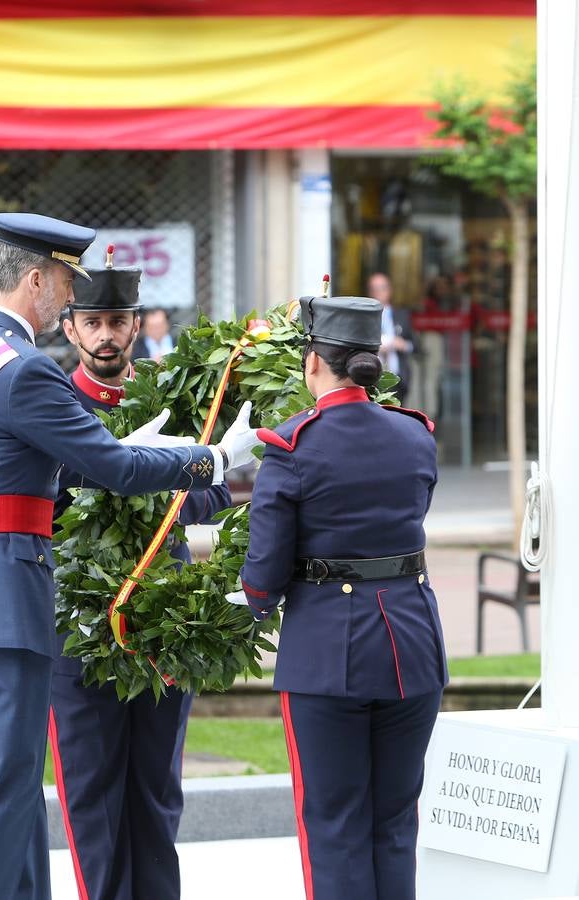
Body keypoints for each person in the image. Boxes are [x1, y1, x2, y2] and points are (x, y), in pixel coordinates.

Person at [0, 212, 258, 900]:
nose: (70, 299)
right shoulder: (25, 370)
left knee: (4, 793)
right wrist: (214, 458)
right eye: (66, 282)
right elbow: (111, 469)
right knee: (4, 797)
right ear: (35, 278)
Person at [236, 294, 447, 900]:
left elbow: (266, 568)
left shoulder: (293, 446)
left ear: (311, 364)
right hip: (412, 647)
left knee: (335, 827)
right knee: (395, 824)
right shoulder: (415, 436)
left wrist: (251, 601)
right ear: (373, 362)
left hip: (328, 653)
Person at [51, 261, 232, 900]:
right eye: (93, 323)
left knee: (156, 789)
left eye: (117, 323)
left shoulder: (168, 400)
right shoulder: (53, 400)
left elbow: (213, 494)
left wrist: (185, 483)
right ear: (70, 328)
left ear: (136, 327)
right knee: (93, 791)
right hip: (80, 628)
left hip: (164, 622)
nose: (106, 336)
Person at [367, 271, 415, 404]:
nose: (378, 292)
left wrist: (403, 345)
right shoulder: (364, 317)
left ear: (389, 290)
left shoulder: (402, 315)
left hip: (398, 378)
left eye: (382, 288)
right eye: (374, 289)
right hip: (372, 380)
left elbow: (415, 345)